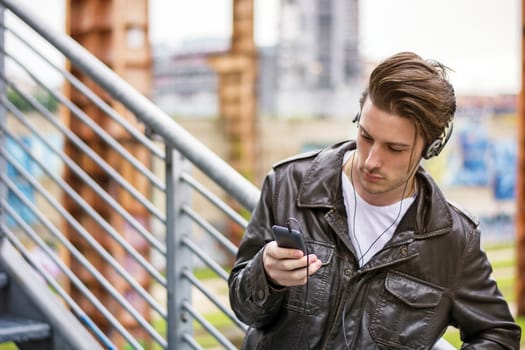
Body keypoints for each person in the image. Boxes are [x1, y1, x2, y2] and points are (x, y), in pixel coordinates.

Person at [228, 51, 521, 349]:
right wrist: (264, 274)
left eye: (394, 149)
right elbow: (242, 307)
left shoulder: (452, 240)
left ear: (430, 149)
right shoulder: (288, 183)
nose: (370, 161)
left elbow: (499, 335)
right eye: (366, 136)